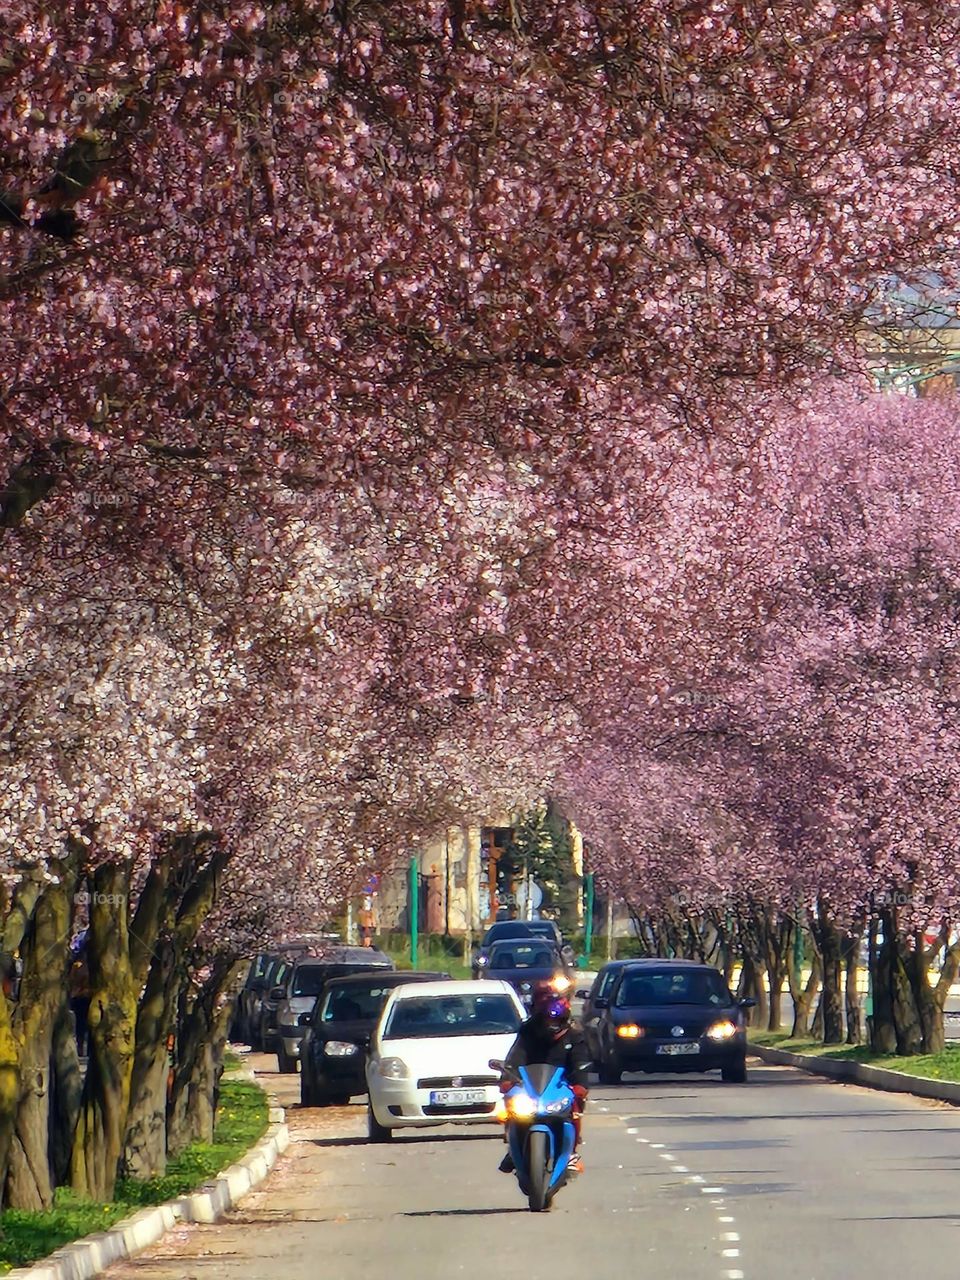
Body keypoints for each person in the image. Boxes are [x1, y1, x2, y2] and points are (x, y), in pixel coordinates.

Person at [498, 986, 591, 1175]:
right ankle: (513, 1146)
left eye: (556, 1019)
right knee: (511, 1104)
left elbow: (580, 1062)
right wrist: (508, 1078)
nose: (552, 1024)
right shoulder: (528, 1031)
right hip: (530, 1085)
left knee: (575, 1106)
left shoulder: (575, 1034)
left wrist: (580, 1084)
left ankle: (571, 1152)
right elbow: (516, 1057)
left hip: (561, 1086)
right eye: (548, 1019)